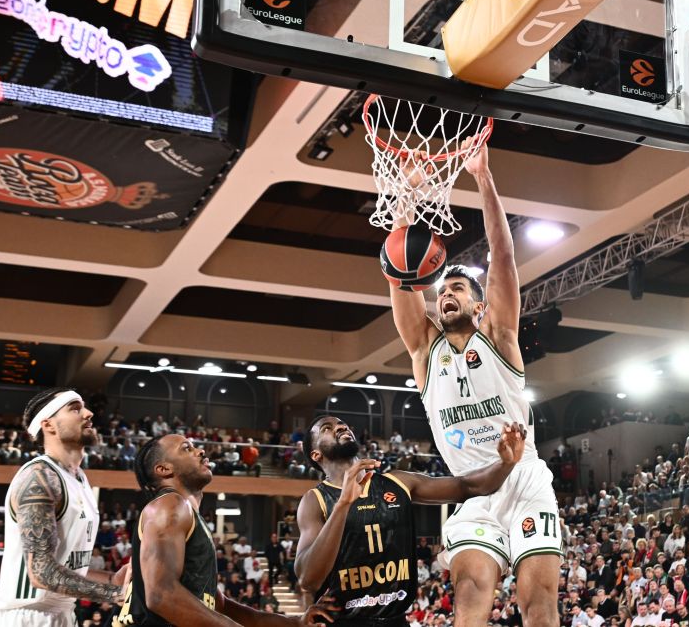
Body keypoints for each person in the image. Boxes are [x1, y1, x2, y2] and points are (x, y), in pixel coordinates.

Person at [387, 142, 561, 627]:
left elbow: (502, 254)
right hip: (471, 488)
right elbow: (401, 271)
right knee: (469, 597)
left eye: (457, 289)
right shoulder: (425, 351)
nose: (446, 294)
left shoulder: (499, 336)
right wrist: (406, 197)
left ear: (479, 306)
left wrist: (483, 177)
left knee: (538, 604)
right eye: (442, 290)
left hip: (524, 480)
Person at [294, 415, 526, 625]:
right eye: (327, 428)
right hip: (344, 621)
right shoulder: (315, 500)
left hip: (396, 620)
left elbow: (468, 487)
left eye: (342, 424)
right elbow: (308, 579)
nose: (340, 427)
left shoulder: (397, 482)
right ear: (316, 455)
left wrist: (506, 463)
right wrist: (343, 504)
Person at [117, 433, 323, 626]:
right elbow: (161, 595)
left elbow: (221, 606)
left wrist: (294, 623)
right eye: (187, 448)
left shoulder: (186, 515)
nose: (201, 451)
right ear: (164, 469)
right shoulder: (170, 504)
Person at [0, 388, 130, 627]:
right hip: (25, 617)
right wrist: (115, 594)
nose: (88, 413)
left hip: (63, 612)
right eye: (75, 409)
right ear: (49, 425)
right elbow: (42, 572)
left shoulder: (80, 479)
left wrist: (112, 580)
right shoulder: (39, 477)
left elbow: (66, 565)